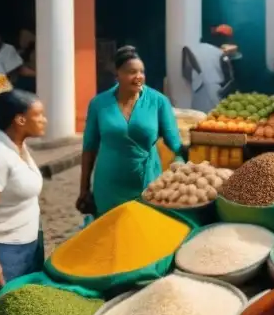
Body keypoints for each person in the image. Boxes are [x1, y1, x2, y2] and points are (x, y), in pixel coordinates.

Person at [77, 46, 183, 217]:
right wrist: (84, 189)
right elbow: (89, 147)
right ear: (117, 73)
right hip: (108, 186)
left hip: (147, 184)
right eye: (131, 72)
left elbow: (175, 144)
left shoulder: (159, 102)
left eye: (141, 71)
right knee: (109, 237)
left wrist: (180, 169)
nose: (138, 77)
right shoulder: (99, 104)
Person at [0, 90, 46, 300]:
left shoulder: (19, 146)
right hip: (5, 251)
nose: (44, 120)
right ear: (20, 119)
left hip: (30, 244)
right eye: (39, 115)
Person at [182, 25, 236, 113]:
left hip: (197, 90)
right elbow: (230, 78)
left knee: (197, 119)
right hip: (215, 92)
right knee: (213, 121)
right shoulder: (219, 54)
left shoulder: (193, 49)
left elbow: (186, 72)